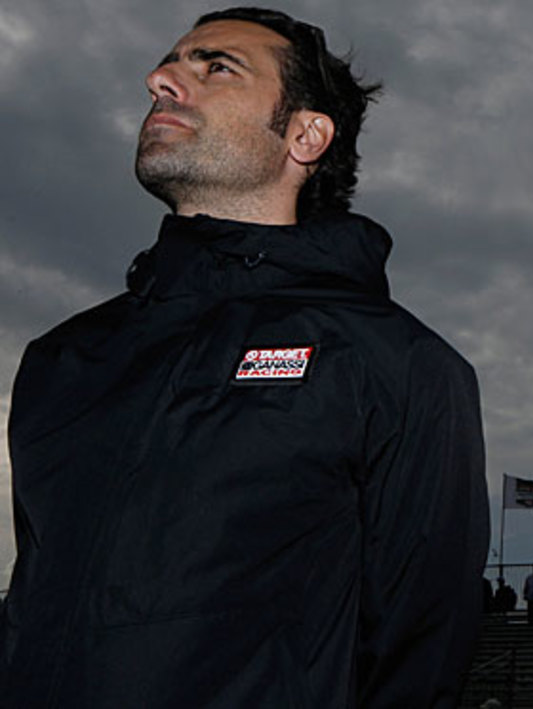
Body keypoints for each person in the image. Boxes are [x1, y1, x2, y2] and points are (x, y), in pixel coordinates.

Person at [1, 8, 488, 708]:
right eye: (170, 63)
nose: (160, 79)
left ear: (305, 134)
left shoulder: (398, 363)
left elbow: (419, 660)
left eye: (215, 66)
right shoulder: (62, 358)